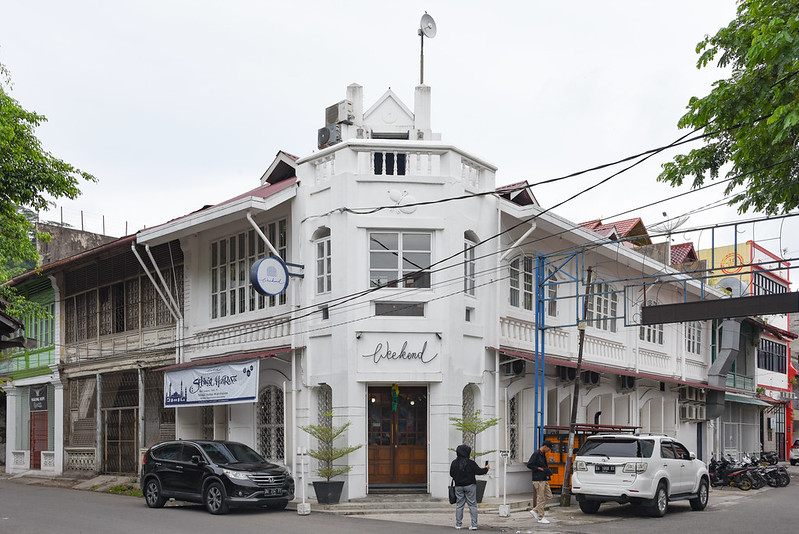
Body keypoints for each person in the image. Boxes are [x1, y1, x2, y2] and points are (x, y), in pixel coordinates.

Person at [450, 444, 489, 530]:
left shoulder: (454, 463)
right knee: (472, 505)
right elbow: (479, 471)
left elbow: (451, 474)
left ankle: (458, 524)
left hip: (458, 486)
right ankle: (474, 525)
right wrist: (486, 468)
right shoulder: (471, 463)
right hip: (470, 486)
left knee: (459, 505)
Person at [526, 440, 553, 525]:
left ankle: (535, 510)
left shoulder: (543, 454)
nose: (549, 450)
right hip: (538, 479)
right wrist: (538, 468)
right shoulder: (536, 454)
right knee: (541, 498)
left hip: (543, 478)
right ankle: (541, 517)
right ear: (545, 446)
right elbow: (529, 464)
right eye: (548, 448)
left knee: (549, 496)